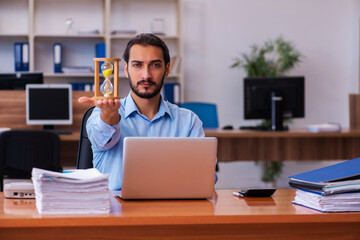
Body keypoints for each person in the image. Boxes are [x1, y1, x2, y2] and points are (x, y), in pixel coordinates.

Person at [79, 33, 211, 190]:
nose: (146, 75)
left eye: (155, 65)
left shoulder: (188, 121)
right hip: (115, 210)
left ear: (167, 69)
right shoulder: (101, 113)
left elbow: (206, 176)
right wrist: (110, 119)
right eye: (137, 65)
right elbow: (101, 140)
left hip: (172, 208)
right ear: (126, 70)